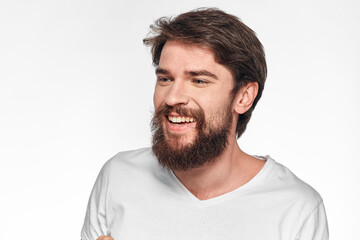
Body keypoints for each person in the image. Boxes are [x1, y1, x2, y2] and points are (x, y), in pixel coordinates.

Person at [81, 8, 329, 240]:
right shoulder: (118, 177)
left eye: (198, 81)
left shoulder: (297, 209)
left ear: (243, 97)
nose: (172, 97)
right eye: (165, 78)